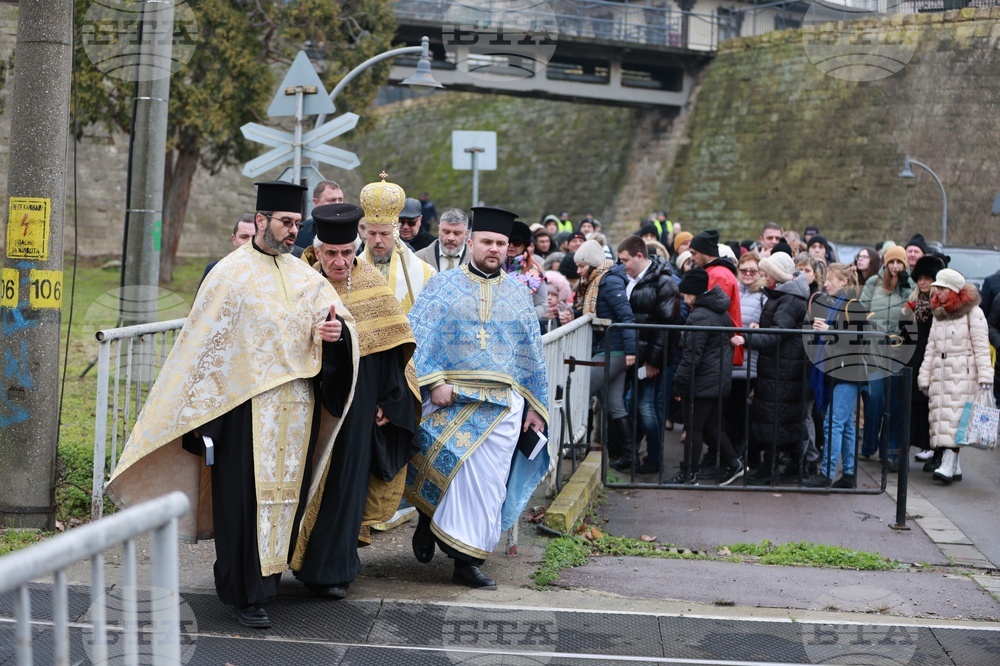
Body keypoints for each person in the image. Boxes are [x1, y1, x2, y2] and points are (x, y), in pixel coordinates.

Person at [107, 181, 359, 629]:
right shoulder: (228, 273)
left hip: (296, 409)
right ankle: (243, 594)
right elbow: (201, 347)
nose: (292, 233)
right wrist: (205, 423)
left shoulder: (306, 276)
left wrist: (336, 340)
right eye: (286, 223)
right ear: (261, 220)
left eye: (297, 224)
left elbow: (341, 327)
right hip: (243, 410)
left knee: (284, 500)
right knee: (241, 504)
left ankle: (267, 583)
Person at [406, 206, 549, 590]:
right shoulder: (443, 285)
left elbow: (532, 357)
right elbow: (420, 335)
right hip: (450, 395)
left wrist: (536, 408)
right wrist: (433, 381)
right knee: (430, 456)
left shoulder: (519, 294)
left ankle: (466, 561)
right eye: (487, 241)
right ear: (470, 242)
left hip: (502, 405)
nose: (495, 249)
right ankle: (428, 516)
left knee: (486, 486)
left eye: (501, 244)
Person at [292, 203, 420, 600]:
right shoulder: (301, 284)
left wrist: (390, 401)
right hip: (306, 404)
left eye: (348, 252)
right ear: (318, 250)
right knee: (300, 482)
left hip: (358, 405)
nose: (341, 261)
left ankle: (334, 570)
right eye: (332, 253)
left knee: (346, 485)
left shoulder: (374, 289)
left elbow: (393, 350)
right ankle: (287, 559)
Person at [566, 239, 637, 467]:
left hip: (613, 350)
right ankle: (630, 456)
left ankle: (577, 446)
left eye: (581, 266)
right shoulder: (598, 281)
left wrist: (631, 351)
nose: (578, 271)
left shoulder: (609, 282)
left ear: (592, 264)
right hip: (611, 348)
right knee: (615, 403)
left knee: (579, 390)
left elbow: (626, 317)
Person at [742, 251, 811, 486]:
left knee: (776, 419)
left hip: (783, 368)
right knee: (779, 418)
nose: (763, 276)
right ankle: (786, 465)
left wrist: (749, 337)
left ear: (777, 275)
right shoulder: (783, 296)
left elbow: (777, 334)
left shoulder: (788, 299)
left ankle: (772, 468)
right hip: (779, 367)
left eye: (767, 272)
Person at [919, 269, 993, 484]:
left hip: (964, 374)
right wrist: (925, 376)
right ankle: (954, 465)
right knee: (942, 420)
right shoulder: (939, 313)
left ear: (952, 289)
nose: (938, 292)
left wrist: (985, 377)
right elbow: (931, 348)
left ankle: (947, 464)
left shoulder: (973, 313)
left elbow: (981, 347)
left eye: (942, 288)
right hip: (941, 374)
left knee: (955, 421)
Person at [671, 267, 741, 485]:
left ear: (693, 292)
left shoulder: (699, 316)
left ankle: (689, 474)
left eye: (685, 293)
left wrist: (679, 384)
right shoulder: (719, 312)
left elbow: (692, 356)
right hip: (716, 379)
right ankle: (735, 464)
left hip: (701, 381)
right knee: (710, 427)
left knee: (693, 428)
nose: (683, 297)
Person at [616, 235, 679, 474]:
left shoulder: (664, 283)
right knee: (635, 404)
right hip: (636, 356)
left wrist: (654, 361)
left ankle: (654, 458)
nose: (623, 265)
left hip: (651, 359)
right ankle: (634, 452)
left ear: (639, 256)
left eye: (625, 260)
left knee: (645, 407)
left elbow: (667, 326)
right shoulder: (631, 280)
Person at [803, 263, 867, 488]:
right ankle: (848, 475)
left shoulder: (853, 305)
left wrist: (829, 332)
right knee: (846, 425)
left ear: (845, 282)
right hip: (840, 371)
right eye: (826, 279)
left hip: (848, 372)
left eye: (831, 279)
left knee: (833, 423)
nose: (826, 283)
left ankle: (826, 475)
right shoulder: (838, 305)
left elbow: (858, 339)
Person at [859, 244, 913, 469]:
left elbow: (912, 317)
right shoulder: (873, 283)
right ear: (885, 262)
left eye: (899, 262)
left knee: (897, 403)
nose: (895, 266)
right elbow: (860, 311)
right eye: (892, 262)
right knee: (875, 398)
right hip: (874, 350)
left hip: (897, 352)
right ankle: (869, 444)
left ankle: (888, 450)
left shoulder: (907, 286)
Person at [360, 174, 436, 313]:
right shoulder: (351, 270)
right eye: (372, 233)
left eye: (384, 234)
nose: (377, 240)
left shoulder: (425, 273)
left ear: (395, 232)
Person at [903, 255, 947, 472]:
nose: (923, 282)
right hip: (913, 359)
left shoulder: (940, 306)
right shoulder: (912, 304)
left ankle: (936, 452)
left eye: (928, 278)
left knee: (933, 408)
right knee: (913, 406)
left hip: (933, 360)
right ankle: (909, 449)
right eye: (920, 277)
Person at [727, 251, 766, 472]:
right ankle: (731, 459)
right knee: (729, 415)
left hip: (750, 364)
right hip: (730, 363)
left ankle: (741, 459)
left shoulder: (763, 296)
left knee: (744, 417)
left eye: (753, 270)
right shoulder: (732, 291)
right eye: (744, 270)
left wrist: (752, 334)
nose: (748, 274)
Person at [688, 229, 743, 368]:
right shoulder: (714, 272)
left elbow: (712, 314)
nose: (691, 258)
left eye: (694, 253)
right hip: (719, 347)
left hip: (718, 347)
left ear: (706, 253)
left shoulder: (717, 275)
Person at [504, 220, 549, 320]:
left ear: (525, 246)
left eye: (516, 243)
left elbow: (542, 305)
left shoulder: (535, 274)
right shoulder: (492, 266)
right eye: (507, 242)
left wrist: (524, 318)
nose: (511, 246)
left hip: (520, 329)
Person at [199, 213, 256, 288]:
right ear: (234, 239)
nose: (249, 242)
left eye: (255, 237)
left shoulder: (269, 271)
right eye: (244, 237)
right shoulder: (215, 269)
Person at [295, 180, 345, 249]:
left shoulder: (352, 231)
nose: (338, 204)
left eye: (340, 200)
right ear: (316, 202)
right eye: (332, 200)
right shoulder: (299, 232)